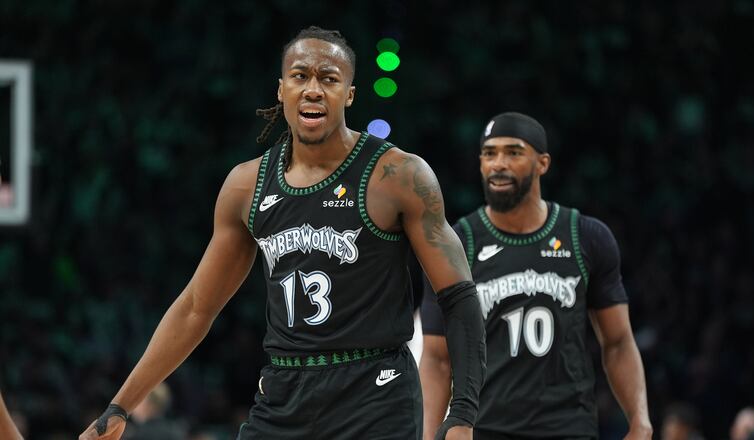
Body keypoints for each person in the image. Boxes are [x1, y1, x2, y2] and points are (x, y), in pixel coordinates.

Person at [78, 26, 485, 440]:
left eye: (329, 78)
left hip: (375, 396)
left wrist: (463, 414)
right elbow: (196, 308)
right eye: (300, 76)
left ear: (349, 94)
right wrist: (120, 406)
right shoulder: (246, 185)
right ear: (281, 89)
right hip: (283, 396)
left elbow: (458, 297)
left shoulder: (398, 175)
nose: (313, 89)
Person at [419, 112, 651, 439]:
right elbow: (437, 359)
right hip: (486, 428)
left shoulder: (585, 236)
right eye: (489, 154)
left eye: (513, 152)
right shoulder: (456, 244)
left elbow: (618, 342)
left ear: (543, 163)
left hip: (568, 428)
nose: (499, 164)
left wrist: (640, 420)